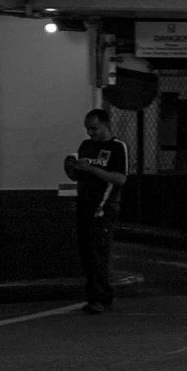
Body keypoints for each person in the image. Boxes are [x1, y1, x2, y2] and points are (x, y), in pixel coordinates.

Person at [63, 109, 128, 314]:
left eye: (94, 128)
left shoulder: (118, 147)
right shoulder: (86, 146)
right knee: (87, 252)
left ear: (105, 124)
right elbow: (76, 177)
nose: (90, 133)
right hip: (84, 204)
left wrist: (91, 169)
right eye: (87, 129)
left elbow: (120, 178)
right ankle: (103, 292)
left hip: (104, 206)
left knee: (97, 252)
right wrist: (72, 167)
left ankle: (96, 297)